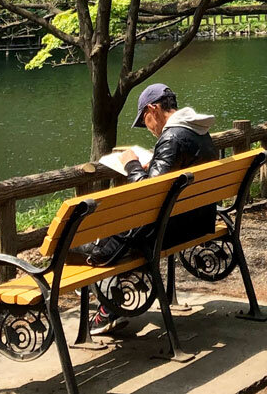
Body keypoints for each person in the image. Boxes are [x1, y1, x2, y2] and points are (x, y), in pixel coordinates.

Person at [84, 83, 218, 335]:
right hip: (198, 222)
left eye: (144, 120)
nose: (148, 128)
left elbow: (150, 193)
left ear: (153, 109)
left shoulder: (172, 137)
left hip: (168, 231)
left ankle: (110, 306)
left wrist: (132, 164)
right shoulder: (198, 131)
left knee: (84, 246)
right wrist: (153, 164)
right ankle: (113, 304)